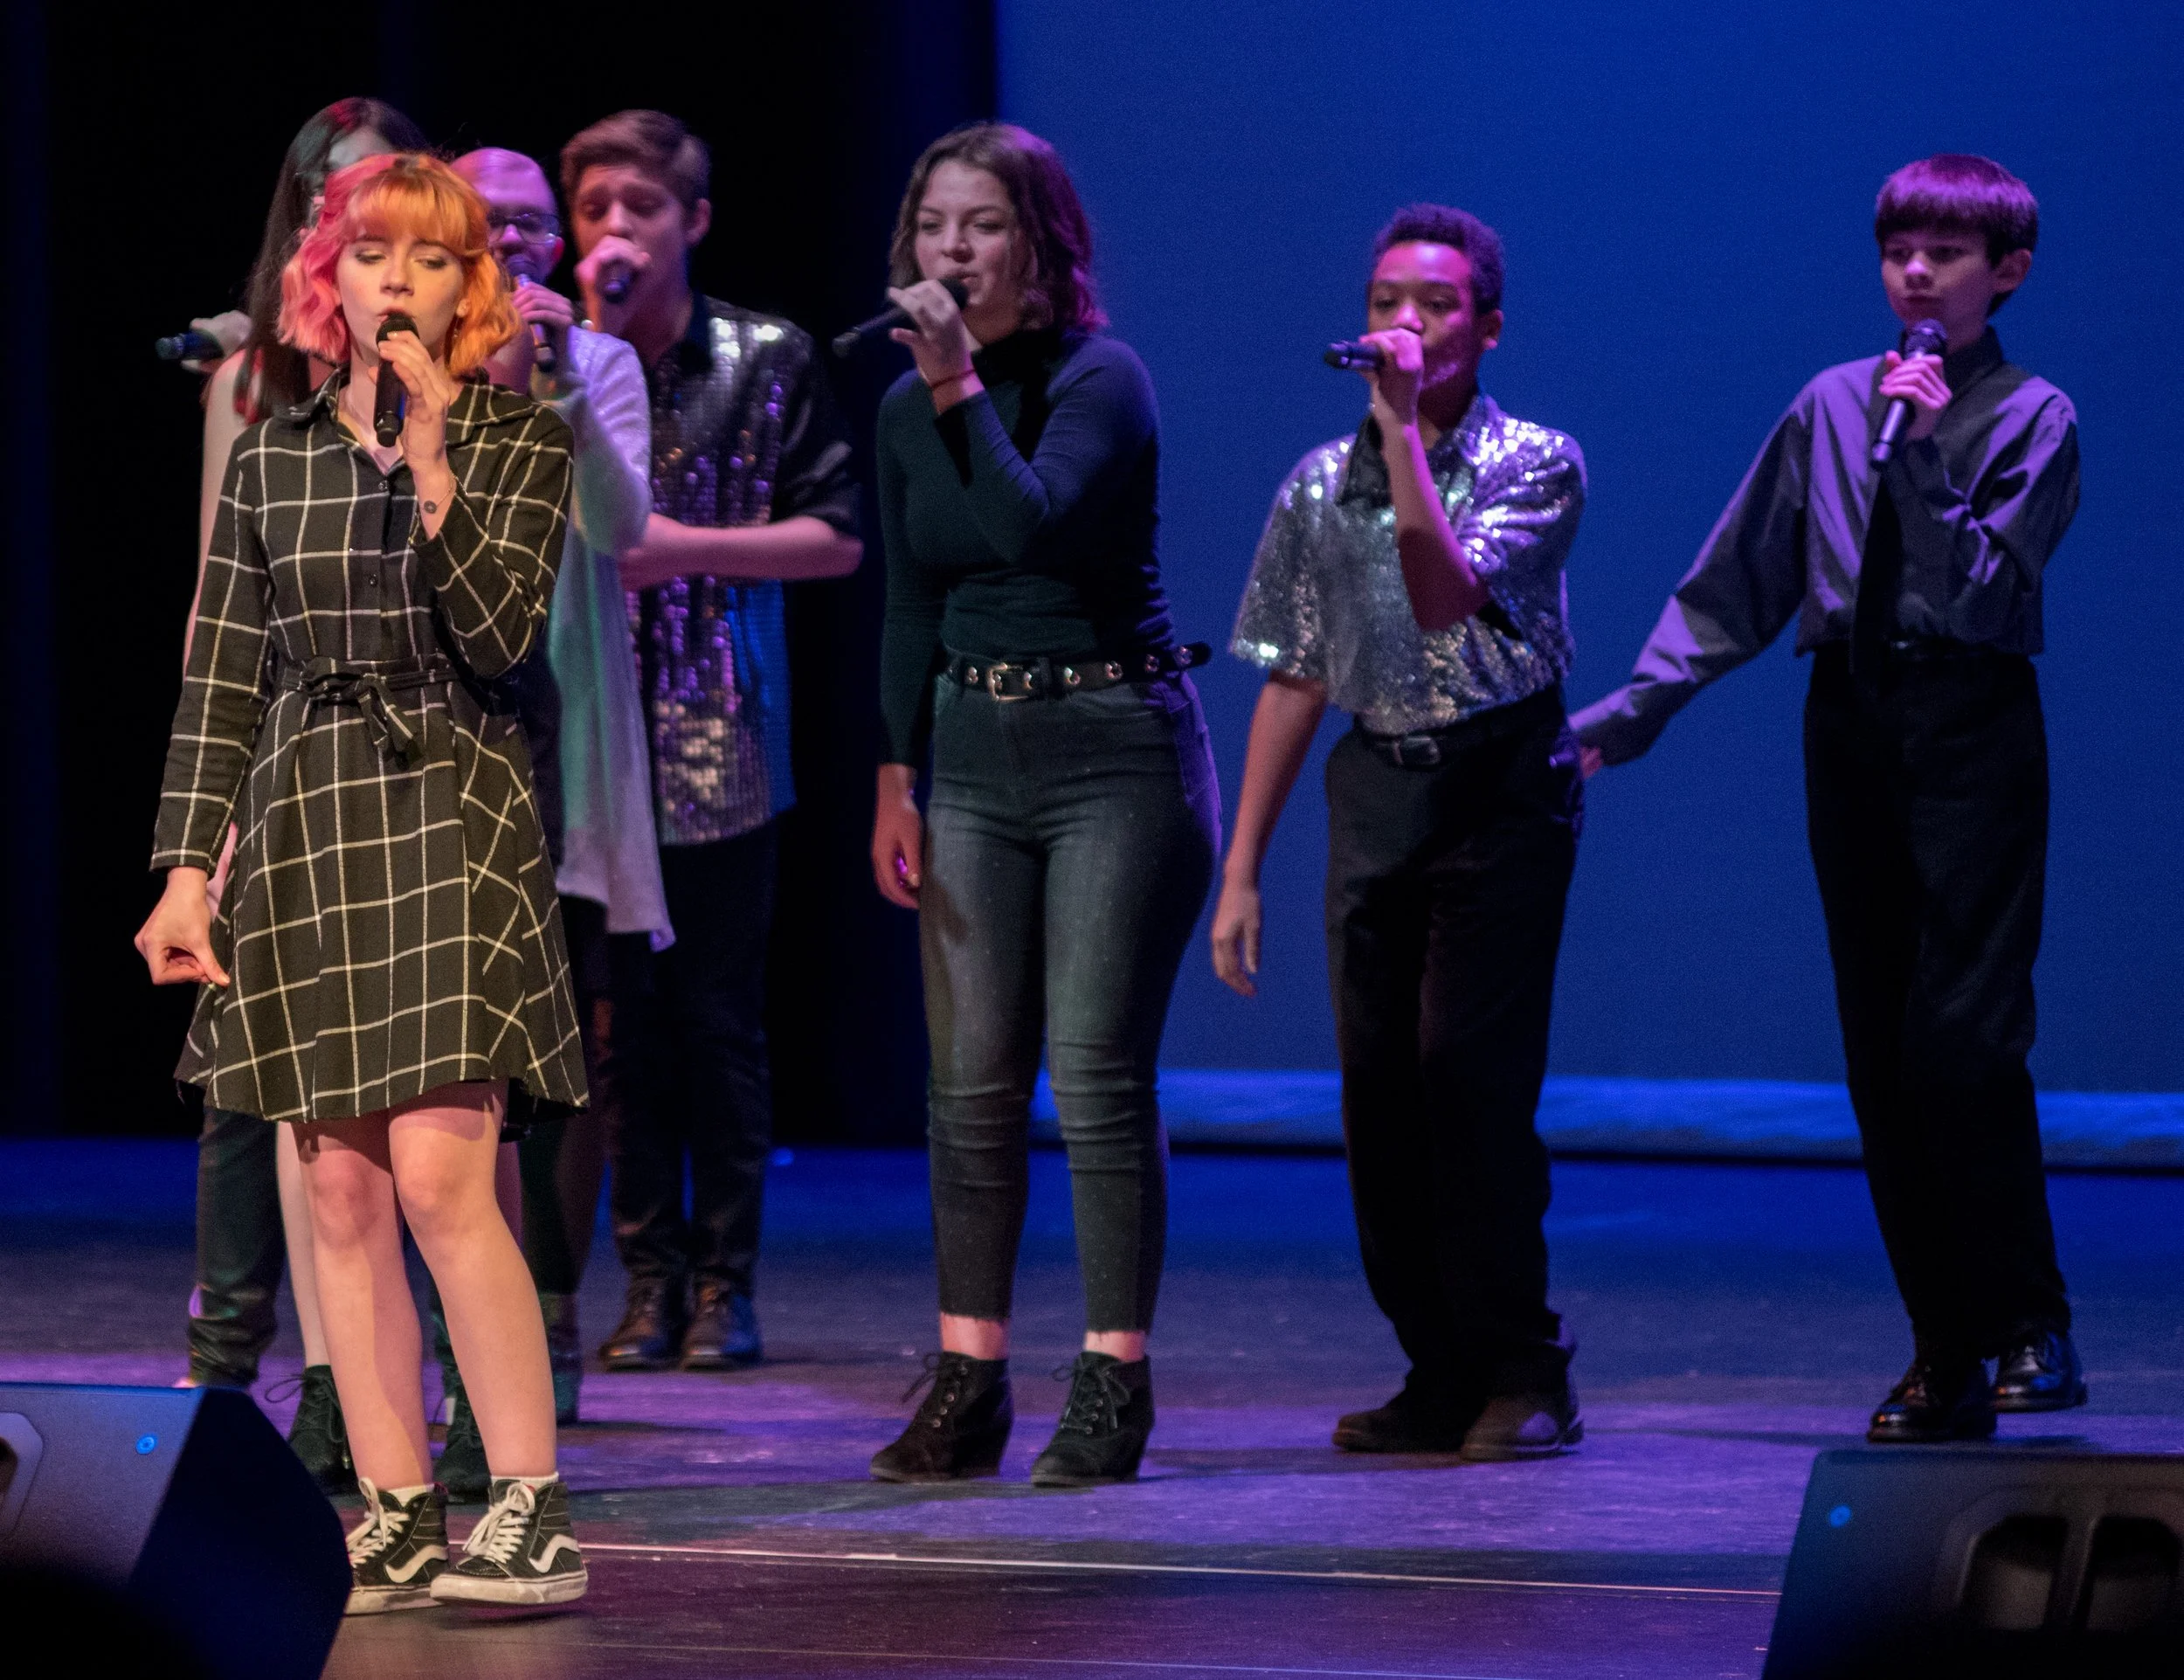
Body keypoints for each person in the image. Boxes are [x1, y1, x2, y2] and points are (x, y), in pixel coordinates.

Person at [135, 153, 589, 1611]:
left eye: (433, 258)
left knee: (448, 1171)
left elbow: (502, 635)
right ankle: (395, 1506)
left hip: (453, 802)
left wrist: (441, 462)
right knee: (334, 1186)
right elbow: (220, 678)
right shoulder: (272, 457)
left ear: (474, 290)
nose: (398, 279)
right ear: (328, 278)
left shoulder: (522, 441)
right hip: (306, 809)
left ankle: (524, 1499)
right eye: (373, 252)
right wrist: (185, 871)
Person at [1571, 156, 2082, 1444]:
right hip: (1851, 715)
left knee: (1962, 1035)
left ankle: (2030, 1321)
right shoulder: (1827, 404)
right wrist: (1635, 710)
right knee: (1879, 1048)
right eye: (1900, 251)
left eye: (1948, 255)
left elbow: (1983, 588)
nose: (1917, 273)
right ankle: (1944, 1348)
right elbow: (1739, 576)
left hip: (1969, 716)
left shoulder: (2034, 415)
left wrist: (1913, 455)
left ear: (2005, 272)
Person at [868, 123, 1220, 1488]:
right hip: (975, 748)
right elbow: (914, 599)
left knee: (1095, 1075)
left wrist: (957, 379)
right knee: (967, 1087)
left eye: (984, 225)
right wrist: (899, 772)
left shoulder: (1101, 379)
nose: (952, 250)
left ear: (1042, 244)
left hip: (1112, 749)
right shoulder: (907, 408)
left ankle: (1112, 1380)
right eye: (935, 225)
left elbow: (1027, 528)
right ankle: (968, 1377)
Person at [1211, 205, 1587, 1462]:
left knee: (1468, 1081)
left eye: (1432, 304)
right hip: (1378, 784)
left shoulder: (1539, 459)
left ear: (1487, 325)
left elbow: (1439, 592)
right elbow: (1298, 675)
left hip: (1500, 787)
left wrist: (1400, 433)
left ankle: (1524, 1364)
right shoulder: (1318, 484)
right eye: (1385, 302)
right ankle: (1437, 1361)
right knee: (1379, 1095)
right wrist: (1241, 866)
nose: (1403, 326)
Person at [558, 110, 861, 1372]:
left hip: (718, 733)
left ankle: (725, 1282)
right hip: (585, 736)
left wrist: (679, 551)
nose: (615, 233)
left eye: (641, 208)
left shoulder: (766, 355)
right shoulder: (547, 356)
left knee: (717, 1019)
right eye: (595, 213)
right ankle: (646, 1277)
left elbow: (837, 537)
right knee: (619, 1026)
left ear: (695, 221)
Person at [182, 98, 426, 1500]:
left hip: (428, 752)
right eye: (339, 210)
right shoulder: (251, 390)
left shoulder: (474, 381)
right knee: (279, 1091)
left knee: (431, 1114)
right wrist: (205, 810)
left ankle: (449, 1394)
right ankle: (290, 1376)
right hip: (286, 751)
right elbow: (218, 615)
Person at [453, 145, 662, 1435]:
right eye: (496, 225)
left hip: (566, 739)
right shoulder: (421, 361)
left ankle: (552, 1305)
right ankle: (456, 1324)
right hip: (446, 741)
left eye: (538, 226)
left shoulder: (604, 362)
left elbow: (618, 528)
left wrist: (566, 382)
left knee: (563, 1053)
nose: (521, 244)